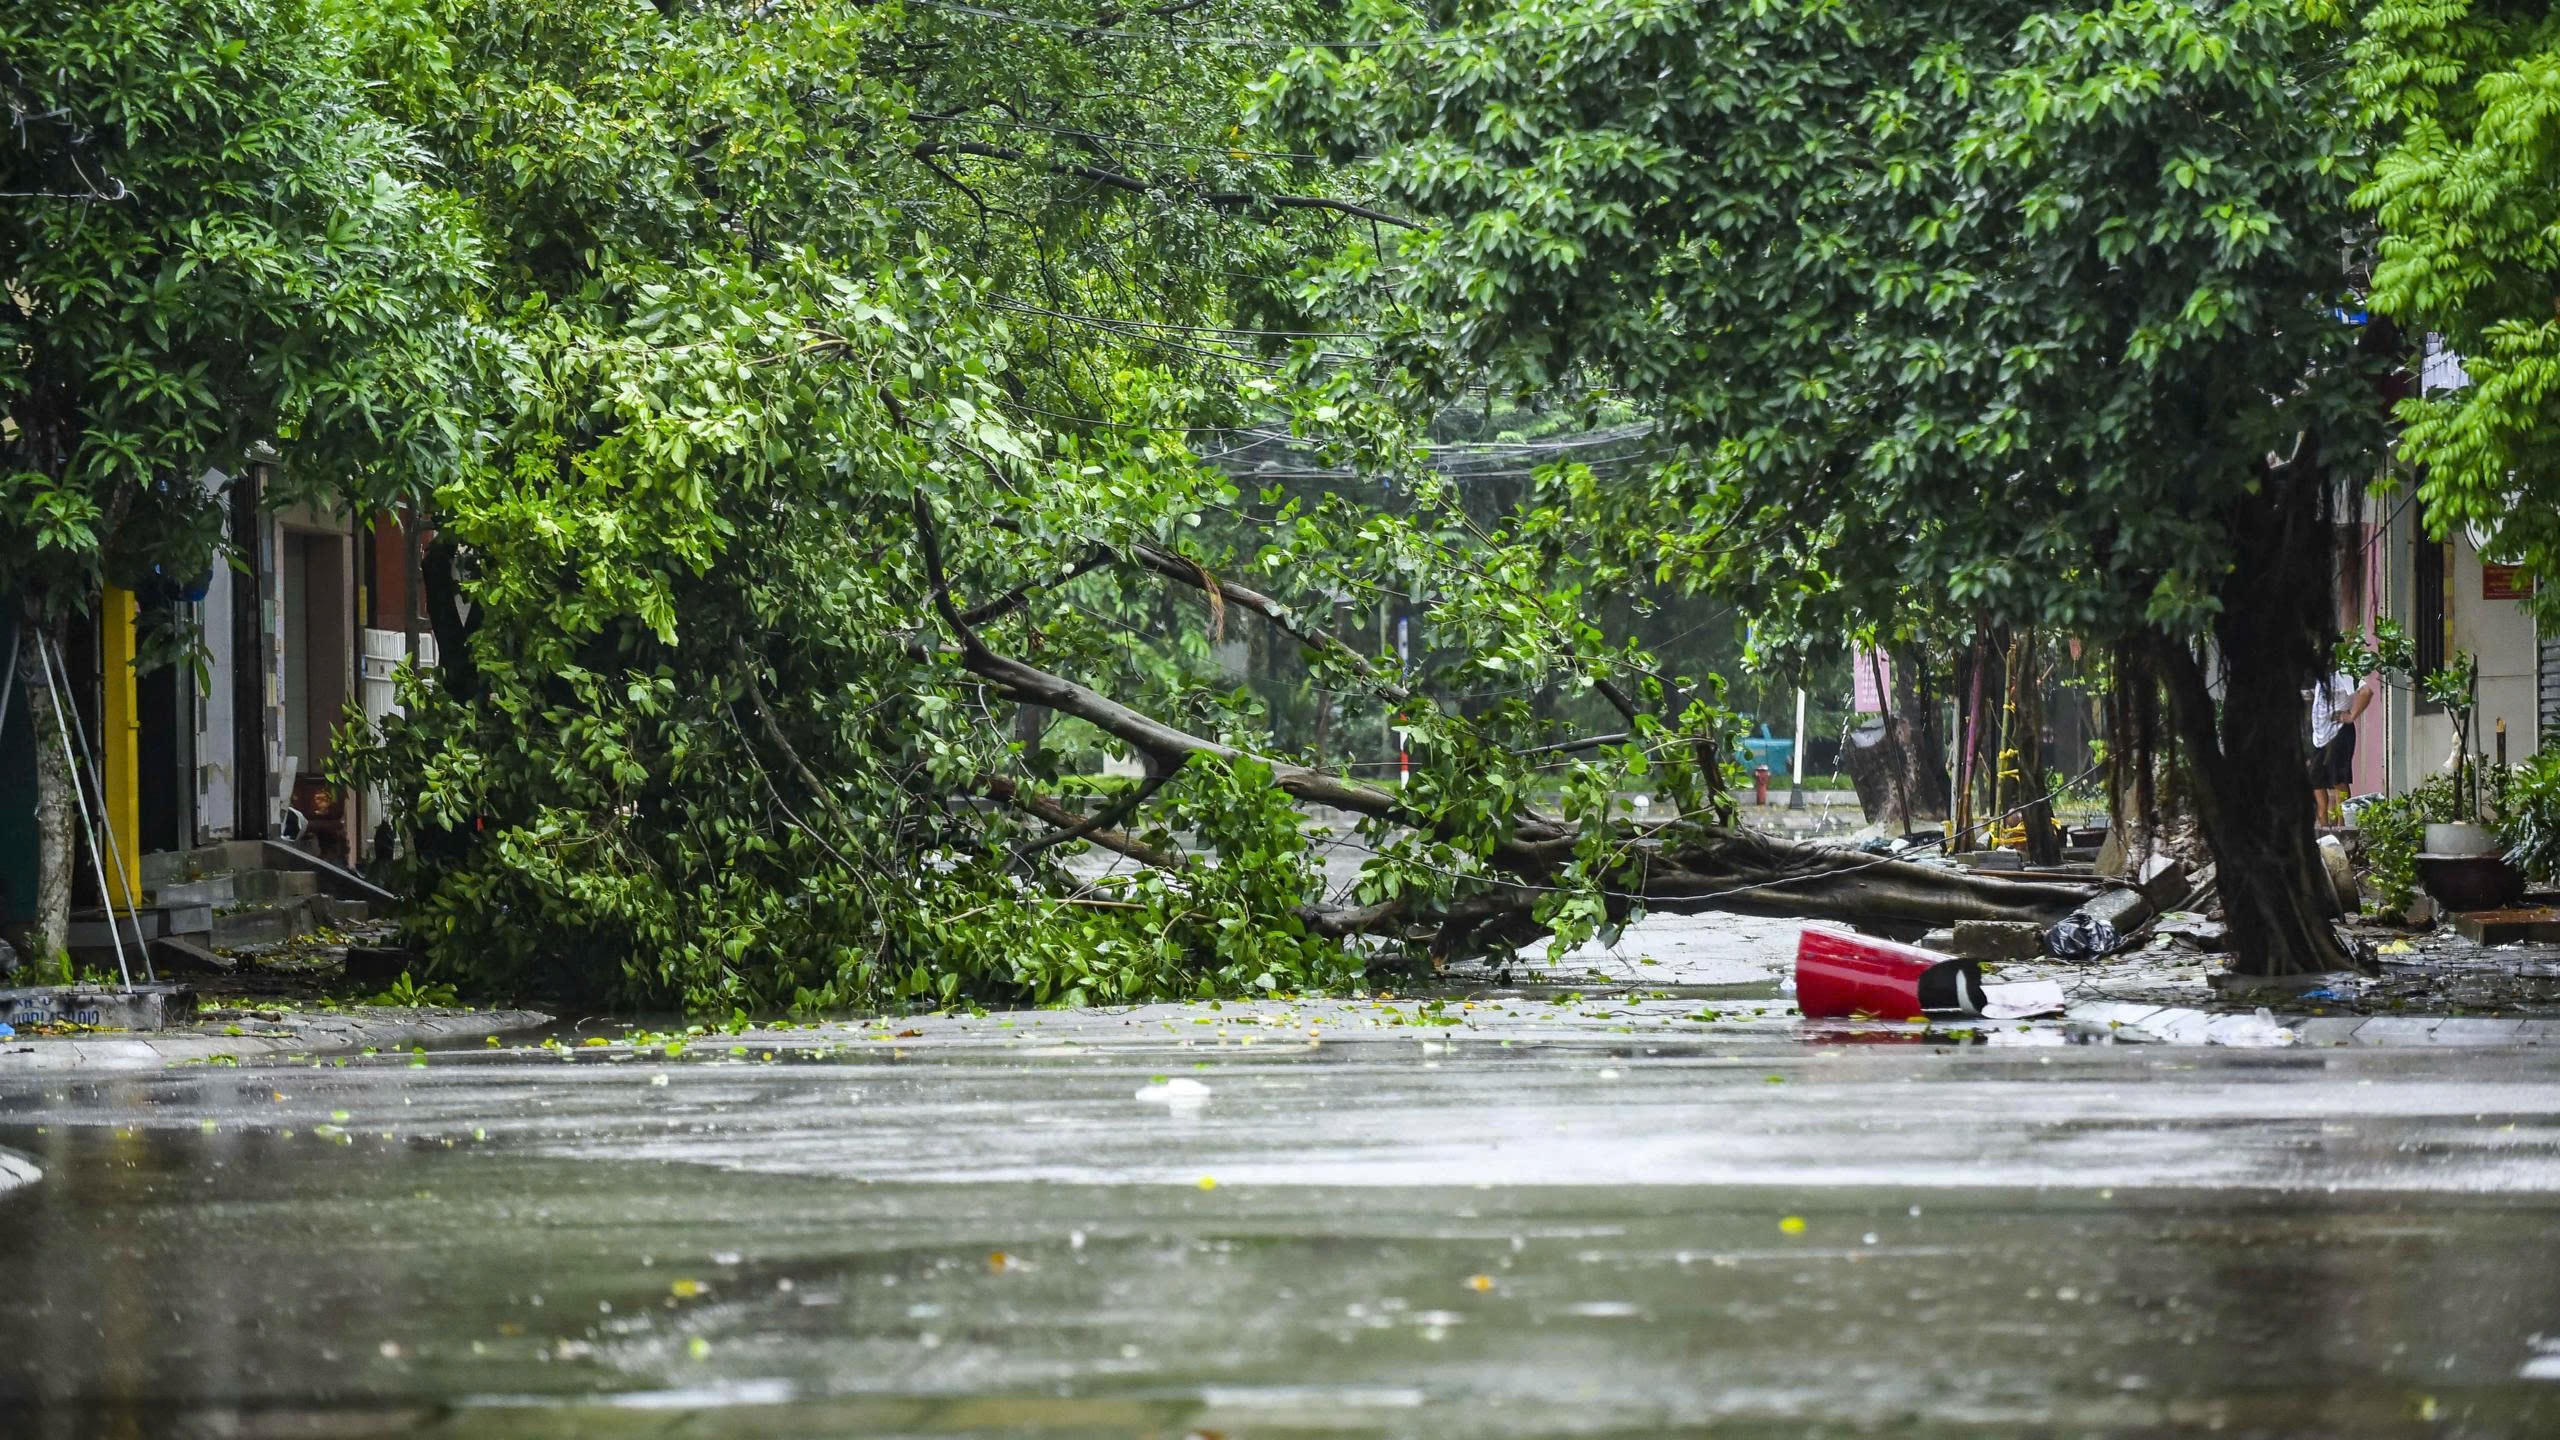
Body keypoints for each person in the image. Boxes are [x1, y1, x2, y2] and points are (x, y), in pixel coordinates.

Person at [2307, 668, 2372, 826]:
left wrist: (2351, 716)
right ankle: (2323, 827)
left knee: (2338, 780)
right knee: (2317, 781)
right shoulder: (2319, 676)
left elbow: (2366, 692)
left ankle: (2342, 827)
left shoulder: (2344, 673)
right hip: (2319, 735)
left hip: (2338, 732)